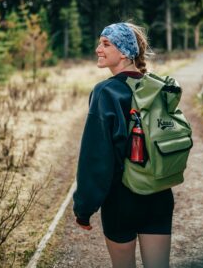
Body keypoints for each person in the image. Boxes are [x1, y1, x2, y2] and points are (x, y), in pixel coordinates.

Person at [73, 22, 174, 268]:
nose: (98, 48)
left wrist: (84, 208)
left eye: (106, 44)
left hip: (121, 199)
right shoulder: (157, 87)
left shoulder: (105, 92)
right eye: (99, 43)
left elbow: (96, 157)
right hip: (159, 194)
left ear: (125, 52)